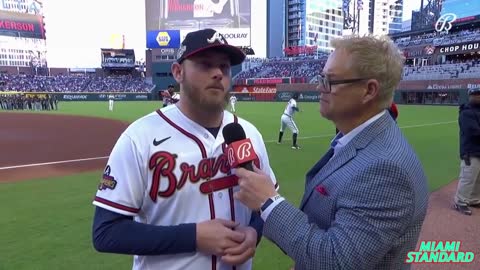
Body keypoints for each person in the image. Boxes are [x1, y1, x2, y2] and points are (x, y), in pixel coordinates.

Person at [233, 35, 429, 270]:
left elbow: (334, 261)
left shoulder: (386, 169)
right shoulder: (357, 139)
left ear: (368, 90)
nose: (319, 87)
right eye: (322, 77)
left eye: (330, 80)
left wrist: (269, 203)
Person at [91, 28, 278, 270]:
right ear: (178, 72)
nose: (217, 73)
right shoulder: (139, 138)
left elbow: (266, 204)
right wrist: (194, 237)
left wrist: (254, 232)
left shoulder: (248, 134)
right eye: (204, 65)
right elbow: (106, 232)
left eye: (224, 66)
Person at [453, 87, 480, 215]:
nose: (478, 97)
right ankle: (460, 201)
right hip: (470, 151)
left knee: (477, 178)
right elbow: (473, 132)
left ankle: (474, 199)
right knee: (468, 177)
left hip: (478, 150)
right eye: (475, 95)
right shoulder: (466, 112)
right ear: (470, 97)